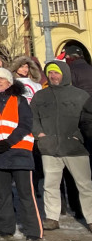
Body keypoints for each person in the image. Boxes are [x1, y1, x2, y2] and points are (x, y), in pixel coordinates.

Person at [0, 67, 43, 239]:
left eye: (2, 78)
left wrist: (9, 142)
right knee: (2, 194)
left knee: (26, 194)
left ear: (9, 82)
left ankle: (33, 231)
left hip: (19, 152)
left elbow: (26, 124)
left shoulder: (20, 100)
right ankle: (5, 229)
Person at [32, 60, 92, 230]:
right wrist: (40, 135)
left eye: (56, 72)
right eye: (50, 73)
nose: (53, 76)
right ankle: (52, 218)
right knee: (50, 185)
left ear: (65, 74)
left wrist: (79, 136)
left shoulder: (80, 95)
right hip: (50, 148)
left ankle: (91, 218)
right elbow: (32, 117)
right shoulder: (40, 96)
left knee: (85, 186)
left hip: (76, 148)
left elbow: (88, 120)